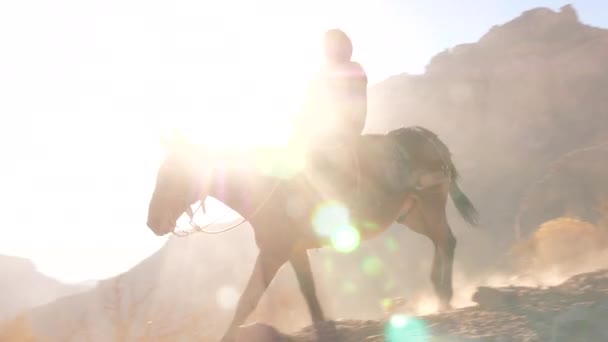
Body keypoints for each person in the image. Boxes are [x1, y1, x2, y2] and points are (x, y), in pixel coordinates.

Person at [293, 29, 368, 147]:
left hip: (343, 131)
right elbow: (308, 105)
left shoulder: (353, 69)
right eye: (326, 46)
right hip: (325, 129)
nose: (327, 50)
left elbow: (357, 109)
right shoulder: (321, 73)